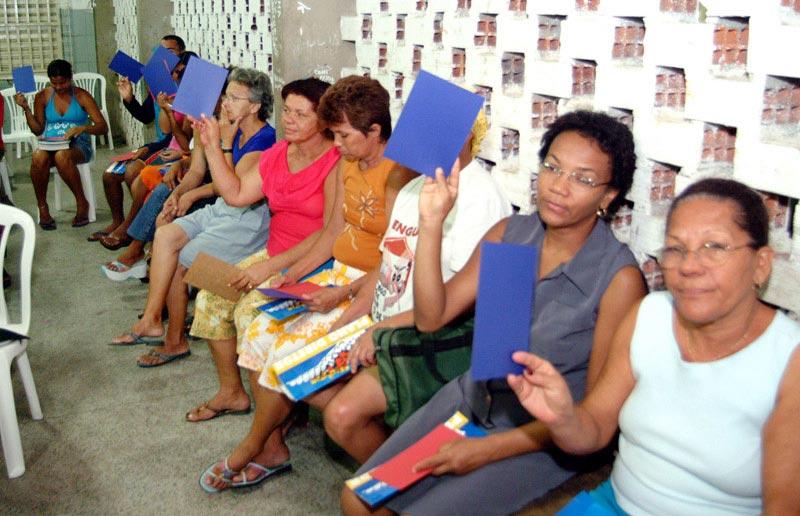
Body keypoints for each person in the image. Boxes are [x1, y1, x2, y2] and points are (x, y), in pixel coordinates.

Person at [340, 110, 647, 515]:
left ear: (608, 197)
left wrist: (486, 450)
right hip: (474, 400)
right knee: (359, 498)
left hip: (543, 437)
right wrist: (431, 222)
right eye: (553, 167)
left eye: (583, 179)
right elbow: (432, 318)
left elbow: (592, 418)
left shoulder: (618, 279)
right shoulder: (511, 235)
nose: (559, 187)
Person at [507, 178, 800, 515]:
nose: (689, 266)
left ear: (761, 264)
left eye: (714, 247)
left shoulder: (788, 361)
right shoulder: (649, 315)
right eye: (676, 248)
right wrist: (563, 417)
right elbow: (594, 430)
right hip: (613, 504)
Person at [199, 75, 416, 492]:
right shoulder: (347, 163)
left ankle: (255, 444)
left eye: (344, 135)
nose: (337, 144)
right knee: (259, 330)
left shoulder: (399, 176)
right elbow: (332, 232)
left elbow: (395, 261)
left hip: (370, 288)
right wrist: (294, 274)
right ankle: (271, 444)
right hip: (335, 276)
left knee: (286, 353)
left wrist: (342, 293)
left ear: (375, 132)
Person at [322, 110, 512, 463]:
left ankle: (400, 475)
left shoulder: (481, 196)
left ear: (466, 136)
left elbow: (465, 300)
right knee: (308, 379)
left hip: (430, 335)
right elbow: (388, 265)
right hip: (385, 323)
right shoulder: (414, 186)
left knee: (341, 414)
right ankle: (398, 459)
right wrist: (349, 319)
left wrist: (382, 329)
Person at [184, 77, 340, 421]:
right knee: (209, 299)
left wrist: (269, 268)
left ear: (324, 120)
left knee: (248, 313)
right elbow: (236, 194)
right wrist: (212, 146)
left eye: (301, 114)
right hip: (273, 255)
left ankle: (276, 417)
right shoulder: (278, 154)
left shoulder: (335, 161)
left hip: (314, 264)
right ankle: (232, 392)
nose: (289, 120)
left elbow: (327, 233)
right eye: (287, 111)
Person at [109, 67, 276, 369]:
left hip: (247, 219)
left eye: (233, 98)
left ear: (254, 106)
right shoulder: (223, 125)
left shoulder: (265, 140)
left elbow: (231, 189)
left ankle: (174, 339)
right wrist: (180, 194)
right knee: (164, 234)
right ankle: (152, 319)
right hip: (223, 209)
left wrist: (222, 143)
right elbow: (198, 172)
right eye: (226, 96)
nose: (225, 102)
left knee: (179, 256)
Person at [96, 51, 197, 249]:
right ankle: (124, 224)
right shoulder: (161, 88)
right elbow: (153, 122)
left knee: (136, 175)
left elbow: (183, 143)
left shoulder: (192, 97)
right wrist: (129, 98)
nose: (172, 72)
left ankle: (132, 230)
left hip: (172, 148)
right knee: (112, 174)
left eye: (177, 69)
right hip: (165, 145)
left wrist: (171, 112)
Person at [14, 59, 108, 230]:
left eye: (63, 82)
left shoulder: (82, 96)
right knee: (38, 156)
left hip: (79, 146)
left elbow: (103, 127)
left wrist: (82, 128)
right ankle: (42, 207)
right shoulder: (42, 96)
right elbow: (37, 130)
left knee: (62, 156)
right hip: (51, 144)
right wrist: (26, 108)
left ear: (70, 78)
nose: (58, 87)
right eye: (54, 83)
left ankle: (82, 202)